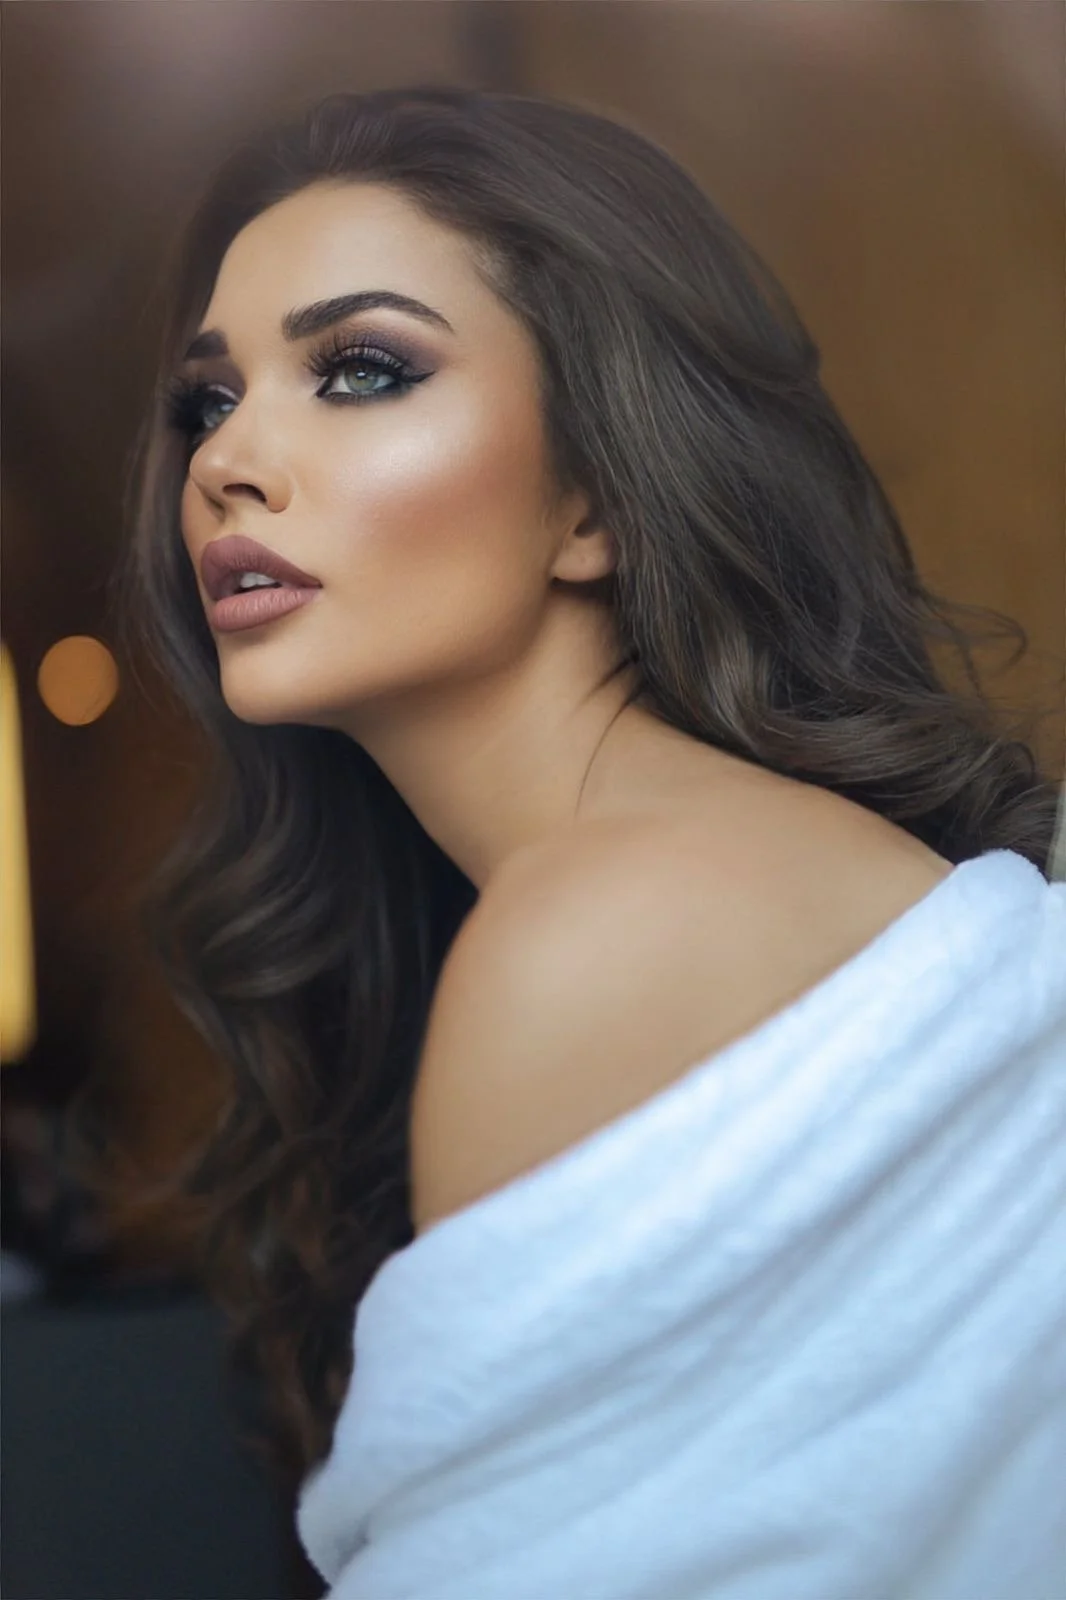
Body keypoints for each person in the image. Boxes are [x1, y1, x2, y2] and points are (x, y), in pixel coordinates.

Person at [115, 86, 1064, 1597]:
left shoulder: (606, 926)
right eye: (208, 401)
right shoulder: (692, 875)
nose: (228, 460)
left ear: (593, 495)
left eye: (361, 370)